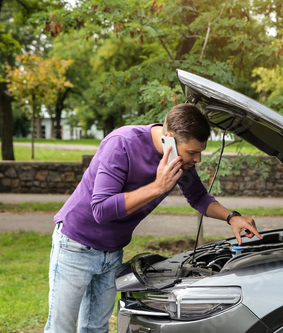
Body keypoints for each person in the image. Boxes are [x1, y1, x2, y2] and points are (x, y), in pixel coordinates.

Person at [44, 103, 262, 332]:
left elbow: (198, 197)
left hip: (113, 251)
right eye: (192, 152)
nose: (197, 159)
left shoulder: (179, 161)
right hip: (75, 245)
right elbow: (101, 209)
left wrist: (232, 217)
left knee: (96, 328)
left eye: (200, 151)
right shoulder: (122, 143)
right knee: (61, 328)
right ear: (168, 139)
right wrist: (157, 187)